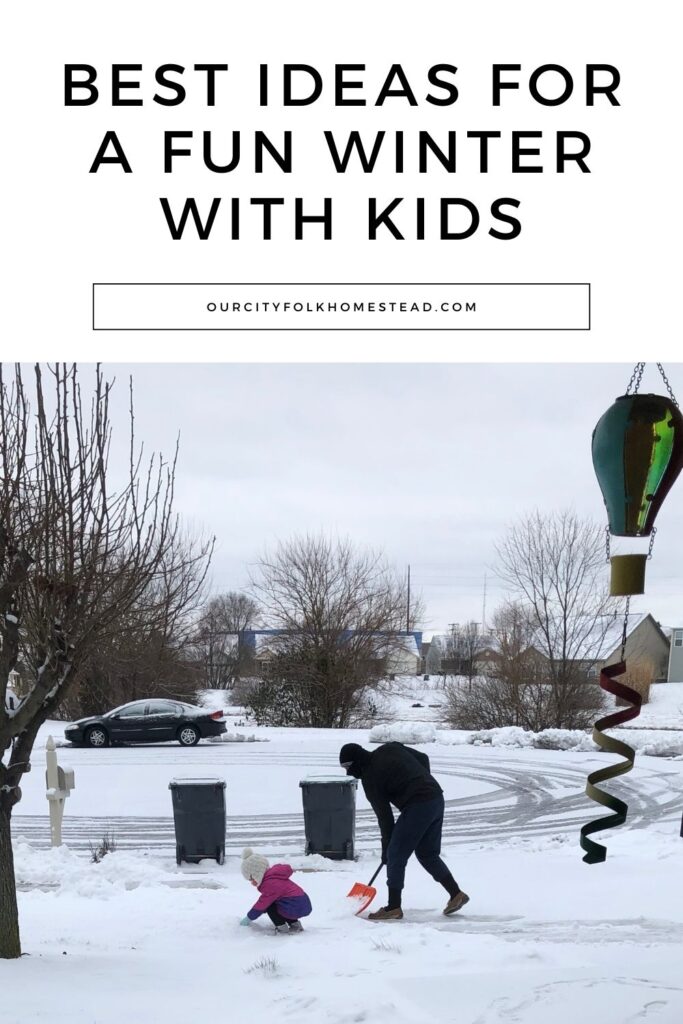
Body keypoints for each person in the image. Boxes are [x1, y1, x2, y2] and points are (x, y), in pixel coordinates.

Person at [339, 741, 469, 921]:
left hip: (418, 805)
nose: (348, 772)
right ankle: (456, 894)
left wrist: (387, 850)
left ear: (357, 761)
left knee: (396, 854)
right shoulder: (390, 747)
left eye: (348, 766)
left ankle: (393, 907)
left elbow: (385, 819)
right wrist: (423, 781)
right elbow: (423, 758)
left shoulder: (370, 779)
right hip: (436, 798)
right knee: (427, 853)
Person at [239, 847, 312, 932]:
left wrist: (249, 918)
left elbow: (262, 904)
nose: (251, 882)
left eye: (251, 878)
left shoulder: (269, 884)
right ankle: (295, 925)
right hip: (301, 903)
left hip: (295, 906)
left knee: (270, 906)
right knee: (280, 903)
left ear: (257, 873)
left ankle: (281, 928)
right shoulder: (274, 877)